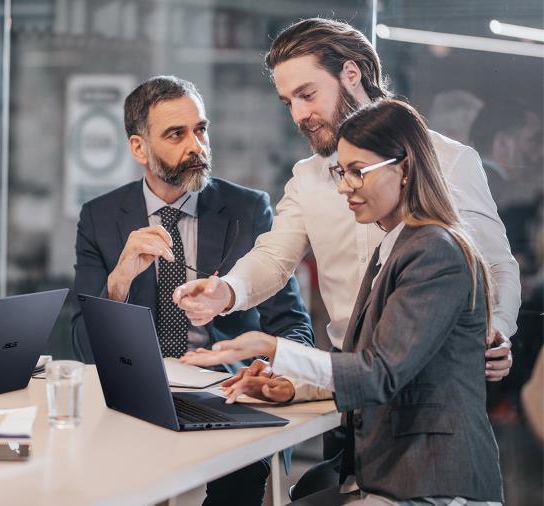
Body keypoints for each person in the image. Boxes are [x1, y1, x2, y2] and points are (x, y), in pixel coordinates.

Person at [182, 99, 504, 505]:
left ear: (403, 169)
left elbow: (379, 373)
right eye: (340, 171)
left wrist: (272, 347)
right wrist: (291, 387)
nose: (343, 187)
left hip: (431, 483)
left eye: (357, 172)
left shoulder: (434, 252)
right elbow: (369, 363)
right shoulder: (397, 246)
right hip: (392, 472)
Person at [174, 16, 518, 391]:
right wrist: (227, 291)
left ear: (351, 74)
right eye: (288, 102)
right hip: (340, 379)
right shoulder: (308, 176)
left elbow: (496, 264)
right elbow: (274, 256)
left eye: (308, 95)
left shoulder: (448, 160)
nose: (299, 115)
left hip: (430, 381)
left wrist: (496, 329)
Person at [71, 75, 313, 506]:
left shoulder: (247, 209)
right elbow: (84, 346)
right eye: (176, 134)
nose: (197, 146)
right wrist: (119, 279)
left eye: (201, 129)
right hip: (135, 394)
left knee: (242, 469)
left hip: (224, 389)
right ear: (138, 148)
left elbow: (293, 323)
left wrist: (269, 372)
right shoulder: (100, 217)